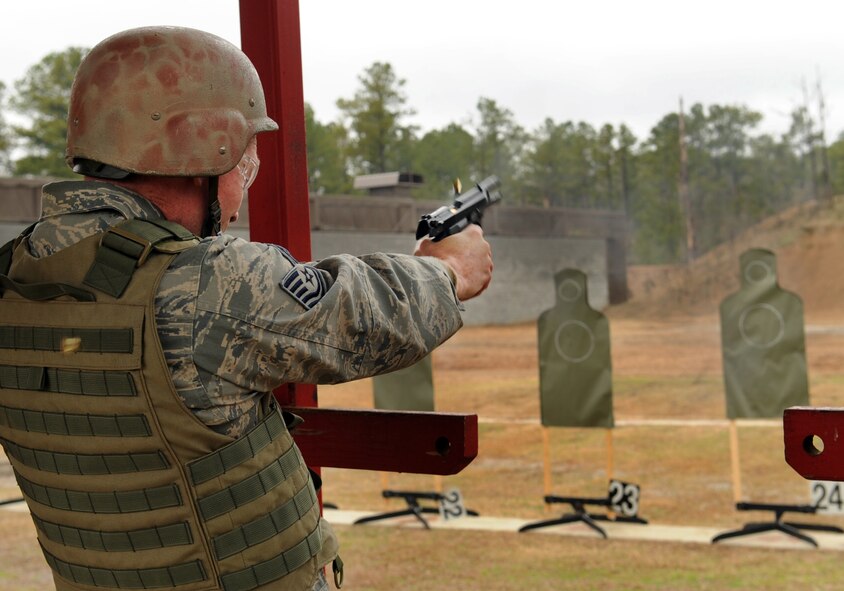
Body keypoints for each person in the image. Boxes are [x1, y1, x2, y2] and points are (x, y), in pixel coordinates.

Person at [0, 26, 492, 591]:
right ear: (203, 152)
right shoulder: (203, 281)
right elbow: (365, 313)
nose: (242, 189)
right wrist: (449, 271)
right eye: (242, 164)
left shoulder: (15, 274)